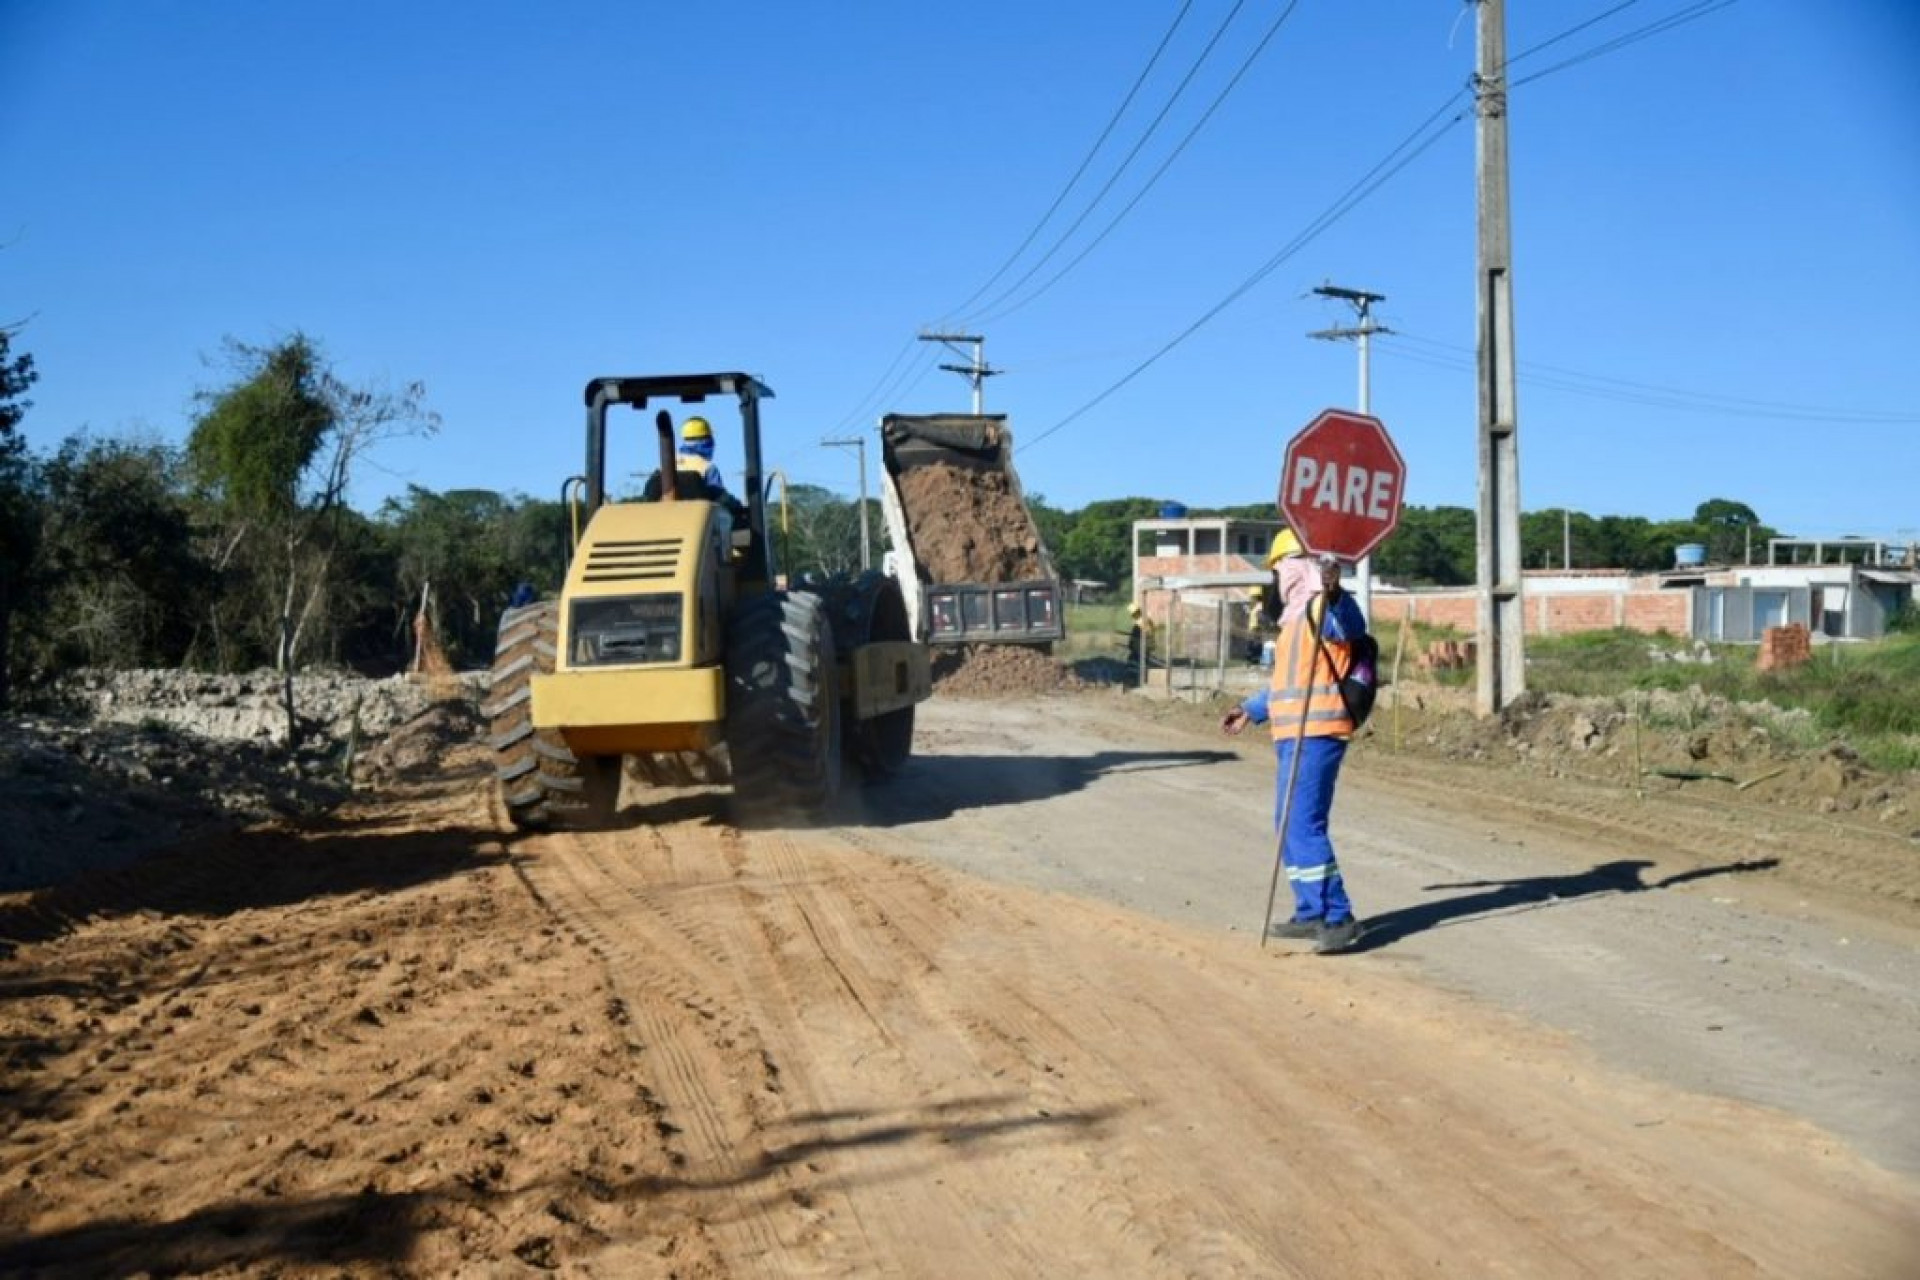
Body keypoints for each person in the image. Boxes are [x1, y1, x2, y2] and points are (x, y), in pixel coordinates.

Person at [1222, 530, 1369, 954]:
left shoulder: (1322, 607)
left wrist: (1334, 588)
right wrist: (1250, 709)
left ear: (1300, 564)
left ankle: (1338, 917)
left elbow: (1350, 626)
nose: (1278, 576)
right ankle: (1310, 911)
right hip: (1290, 733)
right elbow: (1288, 684)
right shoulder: (1292, 621)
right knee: (1287, 824)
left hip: (1318, 732)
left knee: (1304, 824)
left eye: (1281, 566)